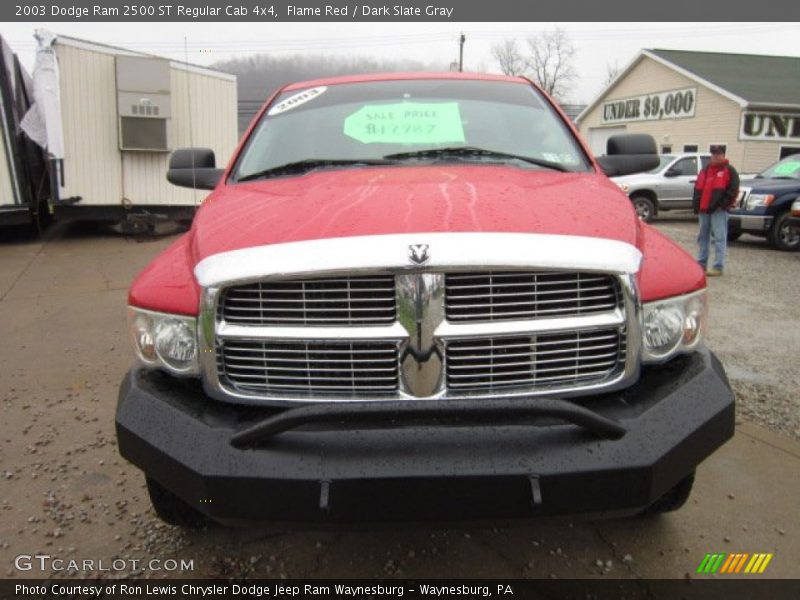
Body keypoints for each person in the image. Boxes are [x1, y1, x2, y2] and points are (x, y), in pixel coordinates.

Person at [693, 145, 739, 276]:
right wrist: (696, 205)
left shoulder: (729, 170)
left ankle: (718, 266)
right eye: (713, 153)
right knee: (702, 237)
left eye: (718, 153)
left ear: (723, 155)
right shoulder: (705, 170)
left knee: (719, 237)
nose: (715, 156)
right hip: (704, 209)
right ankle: (701, 264)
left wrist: (722, 205)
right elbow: (698, 188)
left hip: (718, 210)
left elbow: (733, 191)